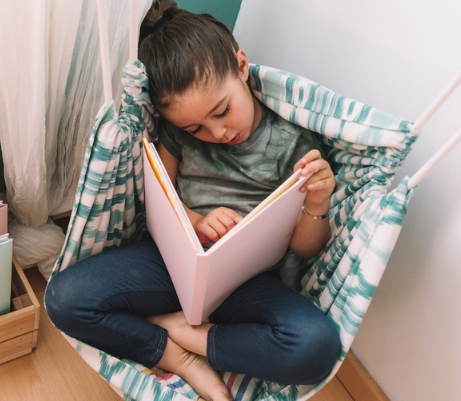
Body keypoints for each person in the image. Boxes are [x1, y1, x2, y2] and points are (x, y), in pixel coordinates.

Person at [45, 1, 341, 400]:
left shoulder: (291, 144)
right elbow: (160, 199)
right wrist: (194, 220)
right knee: (64, 299)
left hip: (246, 284)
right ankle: (178, 356)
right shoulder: (179, 133)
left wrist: (318, 200)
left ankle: (188, 333)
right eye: (195, 126)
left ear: (241, 65)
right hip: (174, 265)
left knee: (315, 347)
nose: (217, 132)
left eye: (222, 111)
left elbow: (305, 248)